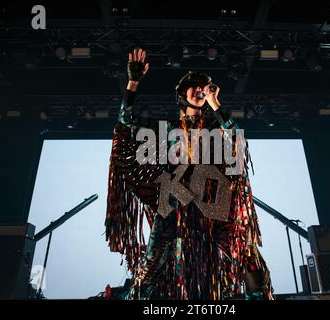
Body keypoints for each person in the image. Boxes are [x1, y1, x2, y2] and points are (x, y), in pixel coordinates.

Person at [105, 48, 273, 300]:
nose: (200, 89)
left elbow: (238, 139)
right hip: (174, 205)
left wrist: (215, 102)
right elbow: (125, 123)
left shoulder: (217, 127)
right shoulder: (165, 129)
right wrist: (133, 82)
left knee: (247, 256)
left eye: (204, 87)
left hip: (214, 205)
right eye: (194, 86)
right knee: (150, 268)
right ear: (181, 94)